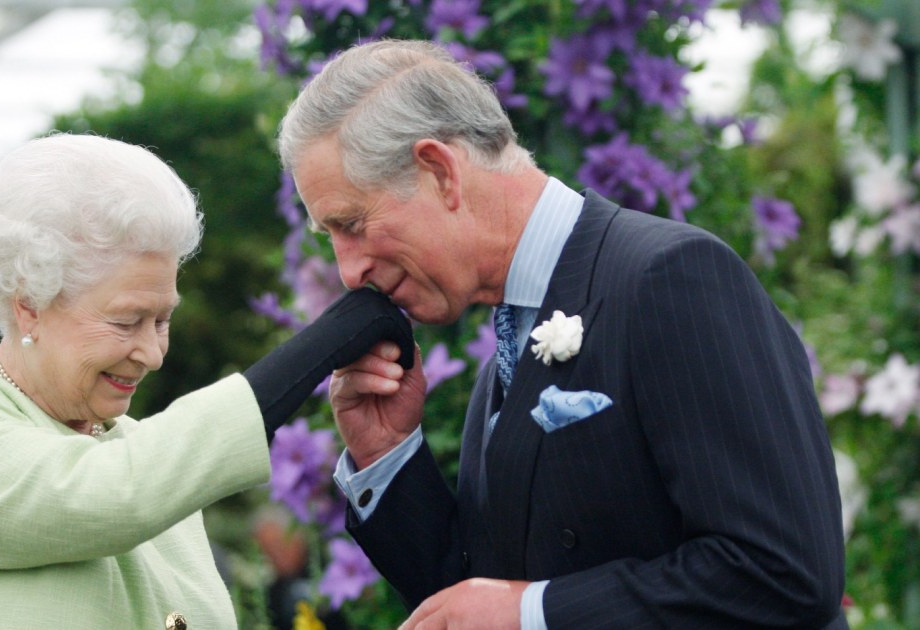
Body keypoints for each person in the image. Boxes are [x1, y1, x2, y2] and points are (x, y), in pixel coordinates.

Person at [277, 40, 847, 629]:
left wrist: (534, 613)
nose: (350, 271)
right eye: (331, 237)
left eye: (351, 224)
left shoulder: (670, 277)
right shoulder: (512, 336)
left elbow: (784, 573)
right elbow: (472, 605)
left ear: (439, 171)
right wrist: (386, 453)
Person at [0, 133, 413, 629]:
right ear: (30, 304)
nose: (152, 353)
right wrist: (324, 344)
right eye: (127, 321)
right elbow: (103, 495)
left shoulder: (147, 460)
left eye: (163, 320)